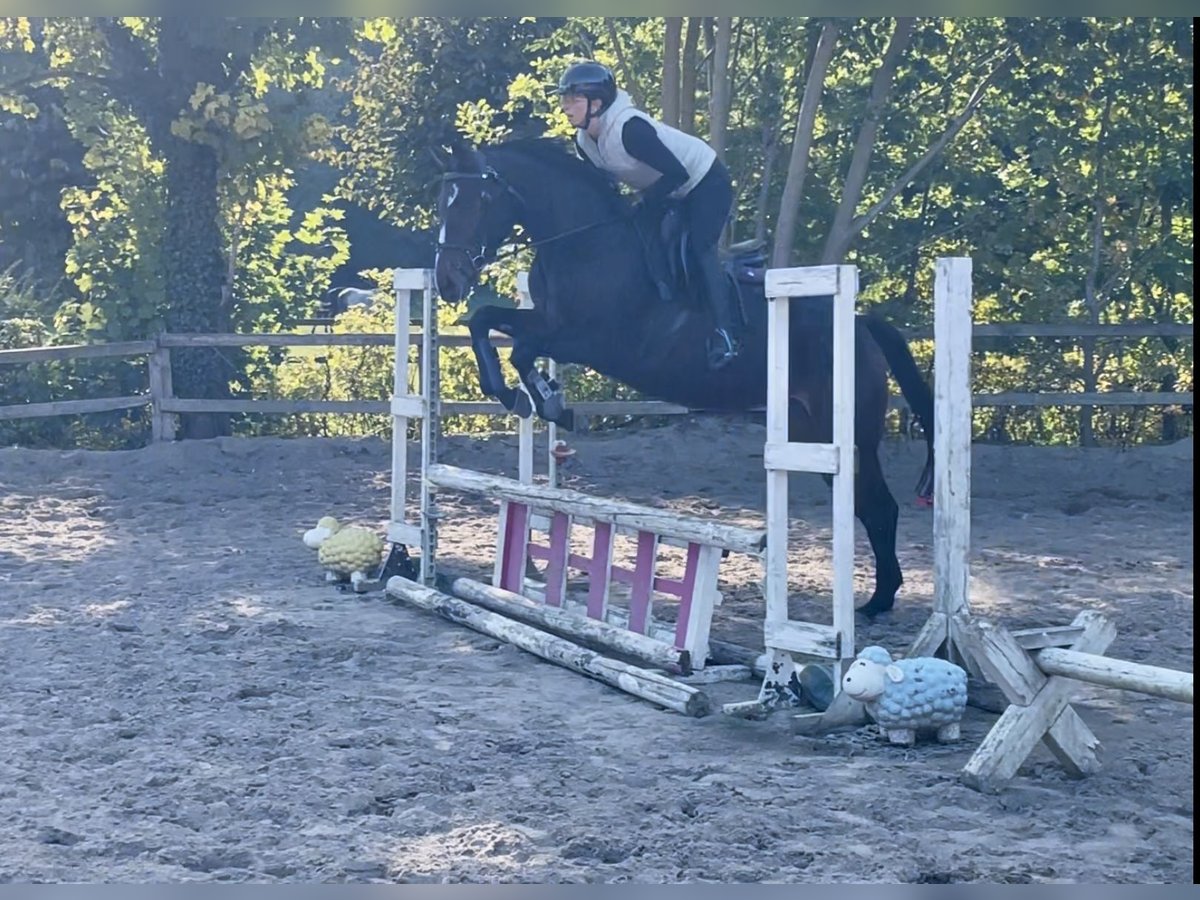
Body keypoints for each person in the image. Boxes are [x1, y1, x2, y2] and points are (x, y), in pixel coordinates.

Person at [550, 60, 741, 370]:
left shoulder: (630, 130)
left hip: (705, 182)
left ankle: (726, 333)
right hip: (666, 189)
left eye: (573, 99)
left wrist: (640, 201)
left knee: (699, 247)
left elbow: (678, 174)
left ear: (596, 104)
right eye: (564, 99)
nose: (565, 107)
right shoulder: (585, 142)